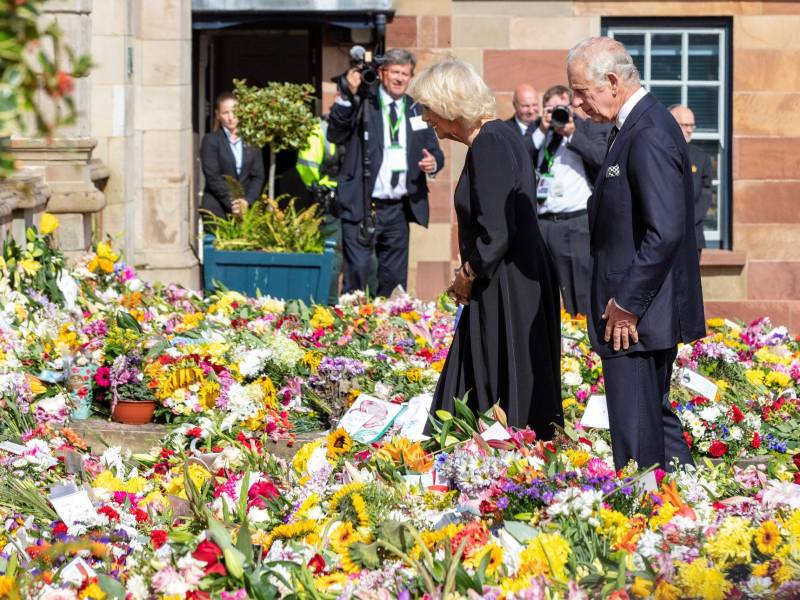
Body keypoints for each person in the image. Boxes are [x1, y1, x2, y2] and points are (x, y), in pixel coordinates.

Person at [567, 37, 706, 471]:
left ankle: (642, 519)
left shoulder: (647, 131)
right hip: (635, 312)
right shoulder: (633, 125)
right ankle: (691, 506)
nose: (577, 103)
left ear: (611, 82)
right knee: (655, 420)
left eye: (581, 92)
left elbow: (665, 231)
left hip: (633, 317)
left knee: (635, 437)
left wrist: (627, 304)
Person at [411, 59, 563, 439]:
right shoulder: (502, 136)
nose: (425, 116)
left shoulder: (489, 144)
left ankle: (494, 447)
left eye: (428, 107)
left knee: (498, 370)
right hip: (512, 273)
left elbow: (496, 231)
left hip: (505, 280)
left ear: (448, 105)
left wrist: (467, 275)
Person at [327, 48, 444, 297]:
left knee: (394, 283)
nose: (400, 78)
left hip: (398, 211)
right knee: (356, 277)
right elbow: (335, 133)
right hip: (362, 206)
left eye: (405, 73)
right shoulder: (365, 101)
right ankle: (350, 332)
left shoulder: (415, 109)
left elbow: (436, 151)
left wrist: (433, 163)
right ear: (382, 73)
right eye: (395, 72)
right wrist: (347, 95)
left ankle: (389, 334)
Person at [533, 84, 611, 317]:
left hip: (575, 223)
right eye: (550, 109)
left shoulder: (589, 129)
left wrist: (571, 133)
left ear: (572, 107)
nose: (557, 114)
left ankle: (581, 346)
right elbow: (520, 157)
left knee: (579, 290)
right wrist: (541, 130)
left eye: (561, 108)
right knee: (541, 288)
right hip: (542, 223)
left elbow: (602, 159)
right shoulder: (539, 135)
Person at [296, 116, 343, 304]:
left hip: (359, 200)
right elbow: (306, 165)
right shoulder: (322, 127)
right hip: (330, 201)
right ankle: (329, 303)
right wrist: (319, 190)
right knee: (333, 252)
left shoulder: (368, 119)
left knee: (365, 259)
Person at [200, 91, 265, 219]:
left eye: (234, 112)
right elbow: (213, 177)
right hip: (217, 210)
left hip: (246, 208)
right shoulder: (211, 140)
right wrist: (234, 204)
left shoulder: (252, 139)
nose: (231, 117)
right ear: (218, 115)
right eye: (225, 113)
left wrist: (247, 201)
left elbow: (258, 176)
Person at [670, 104, 713, 256]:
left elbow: (706, 195)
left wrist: (688, 220)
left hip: (693, 234)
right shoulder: (658, 152)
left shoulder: (701, 157)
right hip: (665, 234)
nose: (689, 130)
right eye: (685, 125)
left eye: (692, 125)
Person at [505, 83, 540, 165]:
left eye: (534, 105)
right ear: (514, 105)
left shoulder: (545, 126)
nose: (531, 111)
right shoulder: (505, 130)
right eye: (525, 106)